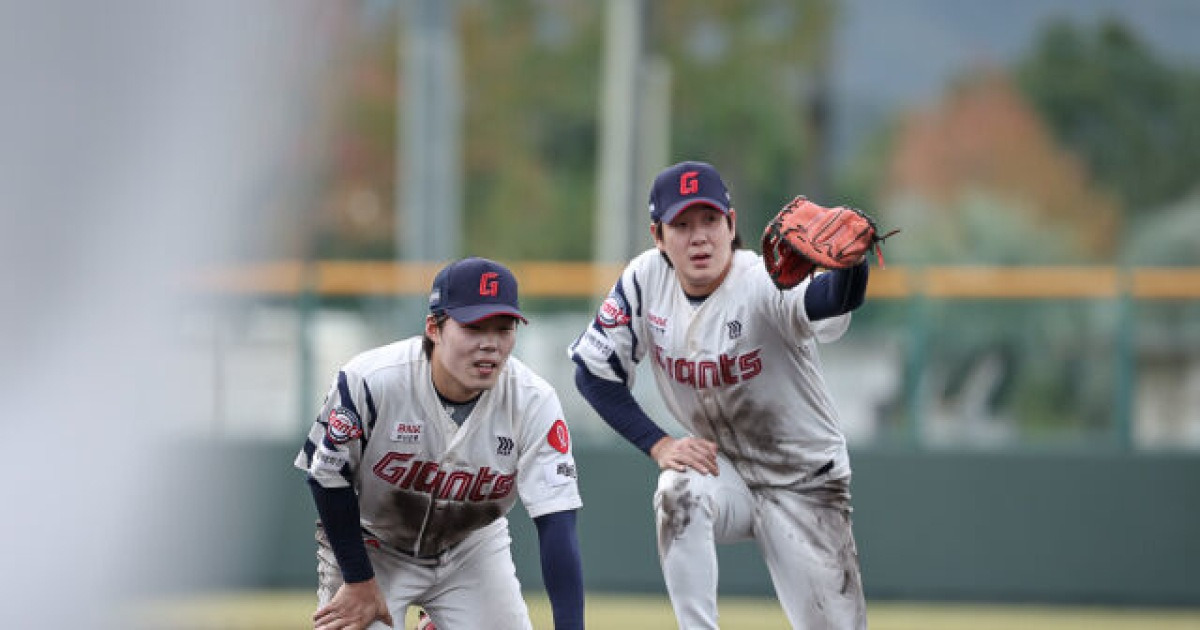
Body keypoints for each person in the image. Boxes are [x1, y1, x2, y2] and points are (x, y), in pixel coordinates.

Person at [569, 161, 869, 629]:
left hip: (804, 479)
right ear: (658, 235)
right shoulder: (645, 280)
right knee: (679, 488)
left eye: (709, 220)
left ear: (731, 224)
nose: (699, 237)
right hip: (723, 469)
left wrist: (852, 265)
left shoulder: (761, 280)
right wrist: (659, 444)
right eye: (682, 225)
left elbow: (830, 299)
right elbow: (592, 372)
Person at [296, 257, 585, 630]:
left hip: (470, 549)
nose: (490, 344)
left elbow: (556, 519)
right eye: (474, 327)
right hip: (372, 545)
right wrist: (357, 578)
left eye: (503, 329)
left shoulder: (532, 400)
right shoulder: (372, 380)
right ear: (434, 328)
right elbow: (328, 477)